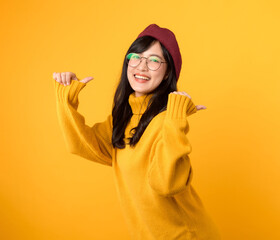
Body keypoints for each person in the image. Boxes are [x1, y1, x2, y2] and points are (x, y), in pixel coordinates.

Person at [52, 24, 221, 240]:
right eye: (136, 57)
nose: (141, 67)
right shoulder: (123, 119)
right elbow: (81, 145)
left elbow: (166, 183)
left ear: (168, 70)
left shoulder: (165, 123)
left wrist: (176, 118)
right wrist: (64, 98)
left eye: (153, 60)